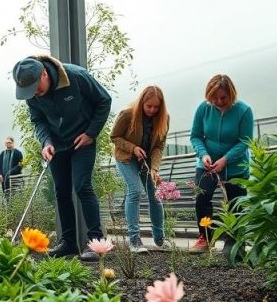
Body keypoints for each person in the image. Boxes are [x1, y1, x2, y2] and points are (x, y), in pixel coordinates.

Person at [13, 55, 112, 259]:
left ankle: (96, 243)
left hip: (82, 141)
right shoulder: (31, 94)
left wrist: (91, 133)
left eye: (35, 87)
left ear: (44, 73)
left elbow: (104, 101)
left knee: (82, 186)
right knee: (61, 191)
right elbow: (38, 121)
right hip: (56, 146)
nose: (34, 94)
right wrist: (46, 142)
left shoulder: (76, 76)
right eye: (29, 92)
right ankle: (68, 243)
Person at [188, 74, 253, 257]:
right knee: (202, 197)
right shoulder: (204, 108)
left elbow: (245, 141)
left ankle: (234, 243)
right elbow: (196, 136)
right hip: (207, 164)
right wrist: (204, 155)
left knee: (235, 203)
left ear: (231, 93)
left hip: (235, 165)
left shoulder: (244, 110)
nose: (218, 102)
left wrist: (226, 159)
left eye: (223, 98)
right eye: (214, 98)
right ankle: (206, 237)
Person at [111, 85, 170, 253]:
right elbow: (114, 137)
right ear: (142, 103)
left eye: (156, 107)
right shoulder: (127, 114)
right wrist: (133, 148)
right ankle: (134, 240)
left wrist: (155, 169)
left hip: (147, 161)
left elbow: (159, 146)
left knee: (155, 195)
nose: (152, 110)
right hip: (127, 158)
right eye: (148, 106)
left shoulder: (164, 118)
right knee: (135, 190)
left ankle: (159, 239)